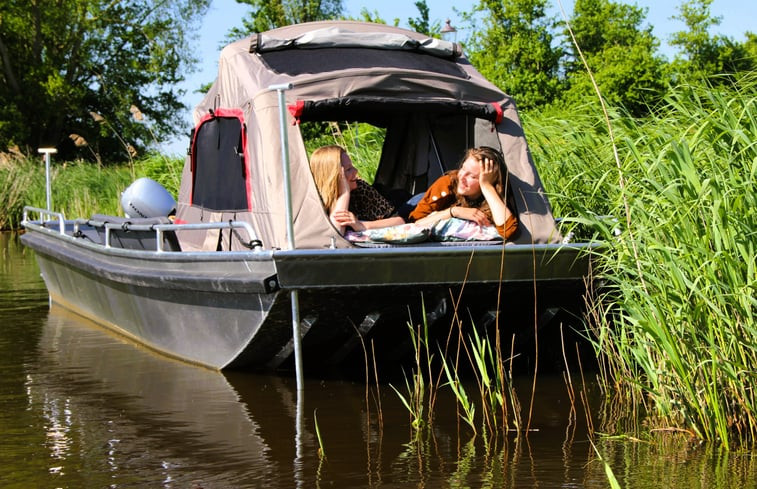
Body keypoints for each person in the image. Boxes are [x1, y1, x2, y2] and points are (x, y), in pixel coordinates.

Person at [407, 146, 519, 240]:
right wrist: (454, 212)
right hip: (415, 202)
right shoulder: (448, 183)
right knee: (399, 217)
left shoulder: (491, 194)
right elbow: (414, 224)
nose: (462, 177)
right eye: (463, 168)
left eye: (472, 176)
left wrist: (487, 187)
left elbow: (507, 230)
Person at [309, 145, 404, 234]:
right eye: (348, 169)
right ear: (333, 176)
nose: (356, 171)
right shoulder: (313, 200)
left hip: (400, 201)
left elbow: (399, 221)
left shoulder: (360, 188)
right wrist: (344, 194)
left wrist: (361, 225)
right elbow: (335, 235)